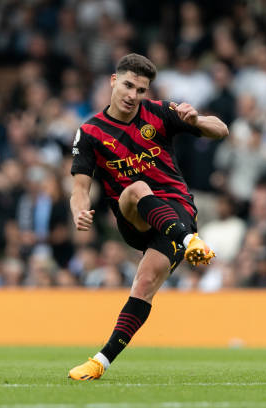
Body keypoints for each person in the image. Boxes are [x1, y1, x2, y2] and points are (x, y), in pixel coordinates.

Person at [67, 53, 228, 380]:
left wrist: (195, 120)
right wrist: (78, 210)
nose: (132, 95)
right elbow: (80, 187)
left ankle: (100, 362)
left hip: (177, 210)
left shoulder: (160, 113)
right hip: (133, 216)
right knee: (138, 187)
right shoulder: (91, 132)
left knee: (143, 285)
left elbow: (221, 129)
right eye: (128, 85)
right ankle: (190, 241)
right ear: (114, 81)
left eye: (140, 90)